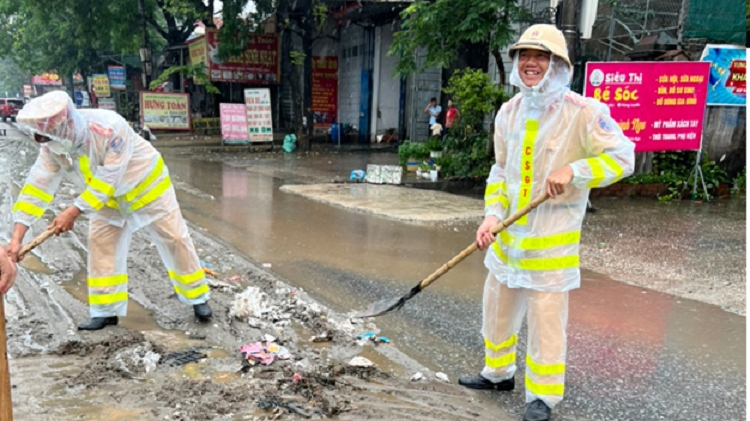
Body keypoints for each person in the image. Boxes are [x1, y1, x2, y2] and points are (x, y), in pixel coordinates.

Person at [457, 24, 635, 421]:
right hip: (508, 237)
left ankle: (543, 397)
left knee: (546, 322)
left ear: (558, 65)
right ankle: (498, 373)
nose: (531, 64)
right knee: (497, 309)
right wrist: (491, 215)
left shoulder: (584, 113)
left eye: (540, 57)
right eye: (524, 56)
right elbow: (501, 173)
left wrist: (576, 170)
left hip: (551, 242)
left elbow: (624, 158)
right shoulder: (509, 112)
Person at [6, 91, 212, 331]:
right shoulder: (53, 147)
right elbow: (36, 188)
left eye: (46, 137)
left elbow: (108, 179)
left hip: (147, 188)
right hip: (106, 201)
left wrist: (73, 211)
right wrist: (17, 237)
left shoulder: (109, 127)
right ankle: (105, 311)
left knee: (175, 239)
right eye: (40, 139)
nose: (45, 143)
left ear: (64, 126)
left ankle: (198, 298)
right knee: (101, 245)